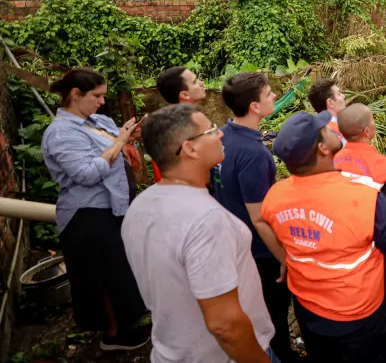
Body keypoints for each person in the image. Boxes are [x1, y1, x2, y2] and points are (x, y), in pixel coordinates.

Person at [121, 105, 278, 363]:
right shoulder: (206, 220)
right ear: (190, 149)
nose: (220, 134)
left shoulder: (141, 205)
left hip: (172, 351)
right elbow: (225, 325)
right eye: (211, 130)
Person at [260, 112, 386, 363]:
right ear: (322, 148)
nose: (332, 128)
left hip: (308, 309)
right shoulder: (365, 199)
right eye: (325, 129)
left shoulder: (274, 196)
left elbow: (278, 231)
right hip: (359, 314)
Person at [41, 68, 148, 351]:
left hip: (112, 208)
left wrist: (128, 136)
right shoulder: (61, 133)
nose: (102, 102)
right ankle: (112, 335)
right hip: (87, 214)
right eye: (96, 96)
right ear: (76, 95)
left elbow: (112, 147)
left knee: (119, 270)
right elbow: (87, 174)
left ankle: (126, 323)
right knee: (102, 275)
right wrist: (120, 142)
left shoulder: (97, 120)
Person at [215, 72, 303, 363]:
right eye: (268, 94)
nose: (274, 96)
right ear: (254, 106)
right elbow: (259, 217)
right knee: (273, 312)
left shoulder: (221, 136)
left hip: (233, 239)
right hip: (259, 249)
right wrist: (283, 257)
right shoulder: (253, 153)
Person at [334, 103, 386, 361]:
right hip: (377, 254)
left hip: (341, 248)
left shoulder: (330, 161)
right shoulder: (382, 167)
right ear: (368, 131)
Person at [151, 65, 206, 181]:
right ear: (184, 94)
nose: (201, 83)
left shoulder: (190, 117)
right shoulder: (172, 127)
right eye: (195, 82)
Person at [308, 78, 347, 145]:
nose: (344, 96)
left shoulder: (317, 129)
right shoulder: (335, 131)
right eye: (339, 94)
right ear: (330, 102)